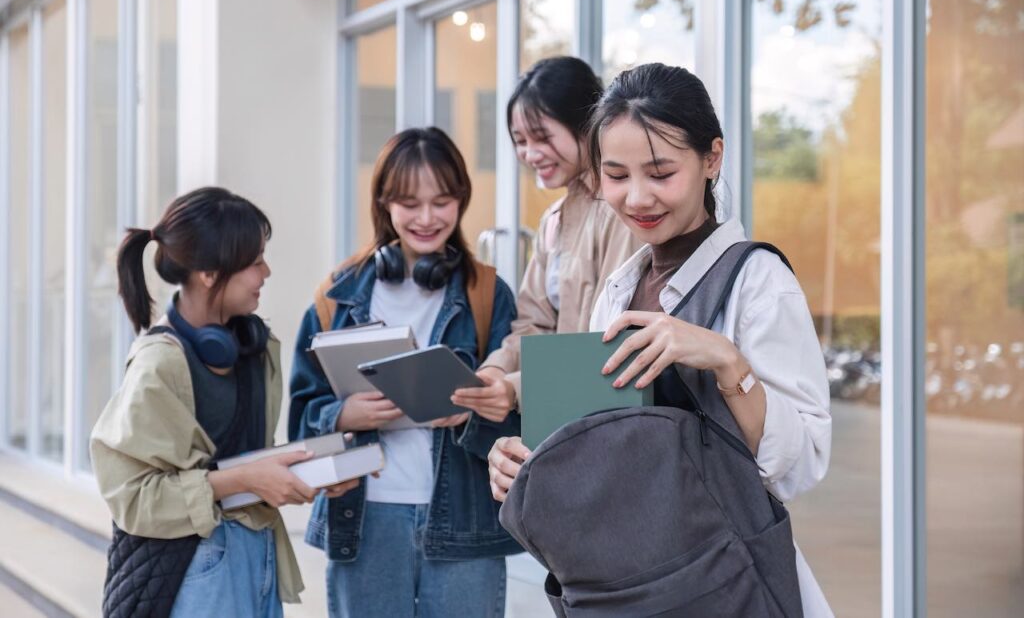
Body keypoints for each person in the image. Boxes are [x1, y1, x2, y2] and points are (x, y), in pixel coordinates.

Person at [490, 63, 834, 615]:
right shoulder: (619, 290)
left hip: (725, 584)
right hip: (629, 586)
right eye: (617, 175)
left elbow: (801, 465)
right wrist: (523, 461)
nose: (638, 198)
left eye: (660, 172)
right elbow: (594, 443)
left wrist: (726, 362)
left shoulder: (759, 282)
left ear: (711, 159)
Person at [91, 187, 357, 618]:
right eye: (255, 262)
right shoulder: (159, 365)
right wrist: (245, 480)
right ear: (209, 274)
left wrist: (311, 472)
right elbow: (134, 499)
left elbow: (243, 459)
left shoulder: (252, 343)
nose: (266, 272)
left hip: (256, 551)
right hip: (198, 564)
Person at [288, 127, 522, 618]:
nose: (426, 218)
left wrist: (471, 414)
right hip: (365, 519)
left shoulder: (487, 294)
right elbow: (300, 418)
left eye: (442, 201)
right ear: (384, 202)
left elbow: (518, 419)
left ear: (461, 200)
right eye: (409, 203)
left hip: (464, 523)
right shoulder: (338, 295)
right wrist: (342, 414)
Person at [451, 57, 641, 480]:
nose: (529, 153)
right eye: (519, 140)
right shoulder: (555, 220)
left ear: (586, 124)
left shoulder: (622, 210)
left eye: (541, 136)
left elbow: (608, 343)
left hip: (614, 430)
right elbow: (532, 323)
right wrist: (496, 372)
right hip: (563, 426)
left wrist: (514, 389)